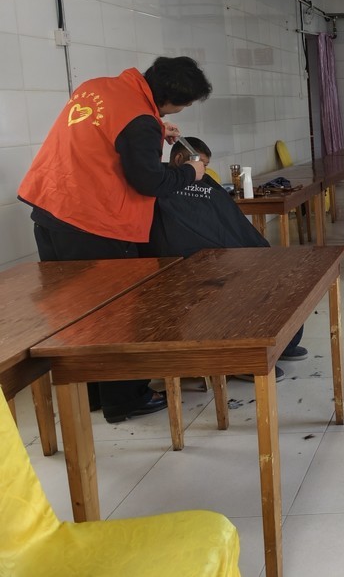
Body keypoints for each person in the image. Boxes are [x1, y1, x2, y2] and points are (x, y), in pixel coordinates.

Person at [18, 56, 212, 423]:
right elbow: (150, 182)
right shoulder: (140, 120)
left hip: (49, 211)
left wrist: (155, 127)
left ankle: (93, 391)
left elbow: (105, 135)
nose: (179, 111)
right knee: (116, 311)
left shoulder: (96, 87)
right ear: (169, 98)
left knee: (73, 310)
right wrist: (191, 171)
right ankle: (124, 398)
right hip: (94, 222)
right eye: (182, 105)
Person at [140, 138, 308, 381]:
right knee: (242, 285)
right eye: (201, 164)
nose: (203, 171)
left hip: (221, 252)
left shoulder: (206, 183)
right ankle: (244, 359)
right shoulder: (162, 185)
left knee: (278, 270)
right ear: (179, 159)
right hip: (192, 262)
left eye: (206, 166)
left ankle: (284, 343)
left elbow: (229, 221)